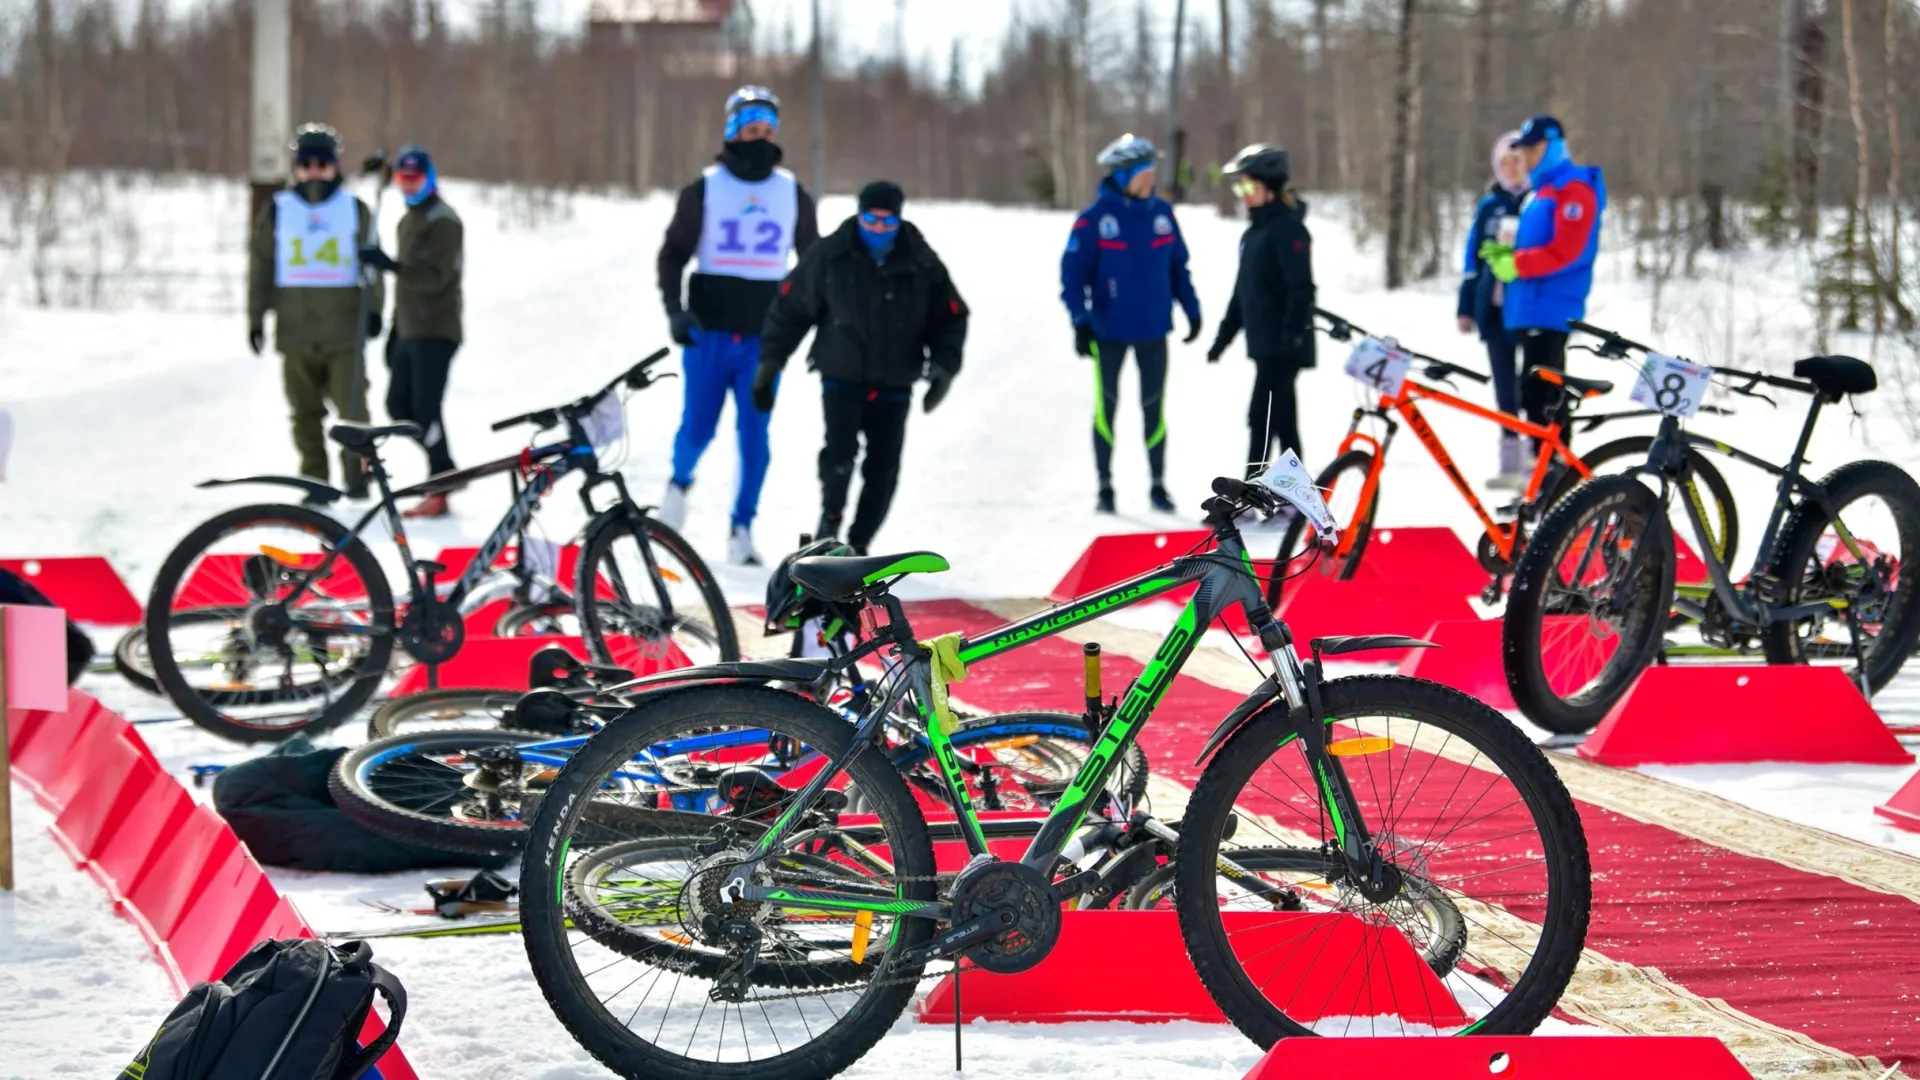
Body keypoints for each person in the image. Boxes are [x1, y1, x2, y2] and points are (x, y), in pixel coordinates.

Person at [755, 181, 968, 555]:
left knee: (883, 469)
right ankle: (830, 521)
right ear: (859, 214)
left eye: (889, 222)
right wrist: (771, 363)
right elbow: (791, 309)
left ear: (900, 219)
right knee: (838, 456)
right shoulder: (830, 254)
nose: (880, 229)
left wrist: (943, 369)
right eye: (872, 220)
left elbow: (950, 316)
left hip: (895, 381)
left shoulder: (921, 260)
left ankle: (860, 542)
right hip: (841, 374)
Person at [655, 86, 821, 566]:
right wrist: (675, 309)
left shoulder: (791, 192)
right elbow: (672, 254)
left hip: (763, 341)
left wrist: (813, 319)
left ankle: (741, 527)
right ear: (733, 132)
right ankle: (678, 486)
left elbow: (814, 265)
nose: (761, 139)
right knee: (697, 429)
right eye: (751, 130)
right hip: (708, 333)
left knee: (755, 439)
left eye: (768, 131)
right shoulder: (705, 188)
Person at [1060, 134, 1202, 515]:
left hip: (1154, 330)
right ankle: (1105, 487)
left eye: (1151, 173)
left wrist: (1191, 308)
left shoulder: (1162, 214)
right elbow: (1072, 277)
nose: (1150, 181)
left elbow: (1178, 266)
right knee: (1107, 408)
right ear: (1123, 176)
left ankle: (1157, 485)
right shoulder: (1093, 220)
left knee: (1154, 407)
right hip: (1108, 332)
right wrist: (1080, 320)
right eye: (1143, 174)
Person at [248, 123, 383, 499]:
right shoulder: (279, 210)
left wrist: (375, 309)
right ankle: (315, 481)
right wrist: (256, 319)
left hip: (343, 331)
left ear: (335, 166)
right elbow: (260, 267)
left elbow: (373, 265)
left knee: (353, 411)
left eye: (322, 163)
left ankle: (358, 478)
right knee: (304, 415)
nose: (313, 171)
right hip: (296, 331)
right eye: (305, 163)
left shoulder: (354, 209)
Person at [1478, 114, 1608, 446]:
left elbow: (1568, 251)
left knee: (1545, 401)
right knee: (1532, 398)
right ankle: (1544, 480)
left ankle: (1557, 482)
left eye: (1533, 147)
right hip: (1528, 307)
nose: (1527, 155)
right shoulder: (1541, 190)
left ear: (1551, 146)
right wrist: (1505, 254)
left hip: (1550, 309)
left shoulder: (1573, 188)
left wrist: (1517, 264)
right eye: (1524, 148)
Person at [360, 144, 464, 518]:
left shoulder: (444, 221)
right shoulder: (408, 219)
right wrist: (394, 331)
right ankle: (446, 468)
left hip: (435, 330)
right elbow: (406, 284)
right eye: (403, 178)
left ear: (429, 178)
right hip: (408, 329)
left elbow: (435, 278)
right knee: (399, 407)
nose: (407, 185)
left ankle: (441, 479)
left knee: (425, 408)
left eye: (414, 178)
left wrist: (390, 264)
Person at [1206, 144, 1315, 478]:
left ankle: (1250, 497)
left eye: (1248, 187)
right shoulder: (1255, 233)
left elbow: (1302, 288)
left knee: (1261, 417)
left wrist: (1291, 336)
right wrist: (1223, 338)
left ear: (1270, 187)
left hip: (1283, 346)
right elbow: (1243, 293)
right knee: (1281, 419)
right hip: (1266, 344)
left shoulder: (1287, 229)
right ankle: (1297, 499)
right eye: (1239, 187)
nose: (1242, 194)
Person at [1457, 131, 1531, 488]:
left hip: (1530, 310)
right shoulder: (1489, 205)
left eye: (1518, 160)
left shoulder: (1538, 200)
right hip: (1495, 309)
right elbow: (1472, 259)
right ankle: (1510, 465)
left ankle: (1537, 465)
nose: (1512, 168)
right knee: (1504, 390)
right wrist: (1466, 307)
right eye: (1506, 162)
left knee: (1531, 388)